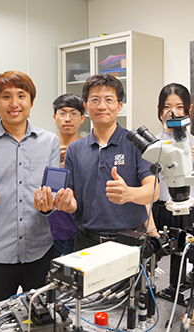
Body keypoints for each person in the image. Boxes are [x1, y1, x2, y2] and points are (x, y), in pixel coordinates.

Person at [0, 70, 60, 305]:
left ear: (31, 102)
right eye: (6, 97)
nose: (14, 103)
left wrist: (48, 206)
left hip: (40, 250)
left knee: (43, 320)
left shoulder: (49, 142)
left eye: (21, 96)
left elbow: (53, 193)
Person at [50, 74, 160, 251]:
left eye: (109, 100)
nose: (102, 106)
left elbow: (153, 191)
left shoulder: (136, 145)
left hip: (129, 241)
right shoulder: (75, 149)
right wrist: (67, 204)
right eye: (95, 100)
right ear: (86, 106)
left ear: (119, 106)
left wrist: (129, 194)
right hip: (86, 242)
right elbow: (73, 201)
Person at [152, 82, 194, 231]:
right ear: (159, 109)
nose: (173, 112)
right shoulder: (151, 145)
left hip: (190, 213)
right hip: (160, 212)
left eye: (179, 107)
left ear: (189, 109)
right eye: (167, 107)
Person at [48, 93, 86, 257]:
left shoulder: (88, 148)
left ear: (82, 118)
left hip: (79, 228)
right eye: (62, 113)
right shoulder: (45, 148)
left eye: (74, 113)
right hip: (49, 228)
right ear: (55, 118)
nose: (68, 118)